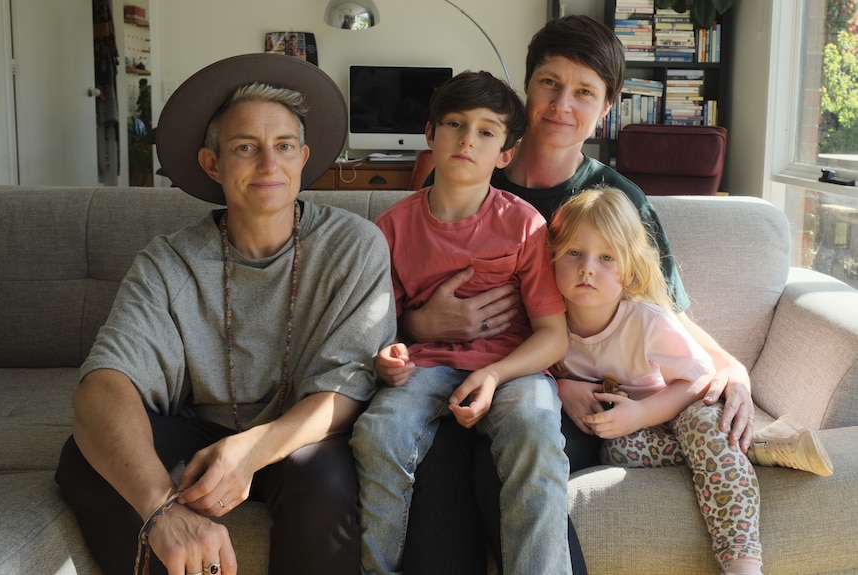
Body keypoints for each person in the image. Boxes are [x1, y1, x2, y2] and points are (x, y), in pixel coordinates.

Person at [402, 14, 759, 575]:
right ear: (527, 86)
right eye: (549, 83)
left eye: (584, 92)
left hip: (558, 392)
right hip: (457, 374)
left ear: (607, 108)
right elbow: (404, 287)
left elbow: (659, 311)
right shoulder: (468, 172)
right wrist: (421, 325)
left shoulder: (617, 200)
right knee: (437, 454)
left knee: (507, 455)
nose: (561, 104)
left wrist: (729, 365)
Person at [55, 54, 396, 575]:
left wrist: (251, 453)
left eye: (283, 147)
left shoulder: (354, 246)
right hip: (199, 432)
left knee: (323, 478)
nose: (268, 165)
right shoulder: (169, 260)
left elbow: (345, 390)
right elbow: (104, 387)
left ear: (303, 157)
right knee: (85, 458)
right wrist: (160, 509)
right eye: (245, 148)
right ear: (213, 164)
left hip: (300, 439)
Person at [350, 71, 572, 575]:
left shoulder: (524, 225)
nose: (468, 138)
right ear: (430, 134)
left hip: (511, 371)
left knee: (536, 430)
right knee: (378, 433)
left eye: (487, 130)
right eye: (455, 123)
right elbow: (383, 330)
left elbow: (553, 335)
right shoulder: (392, 227)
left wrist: (494, 375)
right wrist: (390, 356)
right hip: (425, 368)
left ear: (505, 154)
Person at [549, 186, 765, 575]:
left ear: (629, 270)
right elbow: (533, 368)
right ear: (552, 260)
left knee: (708, 430)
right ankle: (751, 454)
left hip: (677, 406)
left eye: (606, 257)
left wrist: (643, 412)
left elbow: (698, 380)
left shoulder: (646, 322)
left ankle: (743, 562)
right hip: (631, 430)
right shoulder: (549, 326)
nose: (587, 268)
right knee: (616, 450)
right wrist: (564, 386)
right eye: (574, 253)